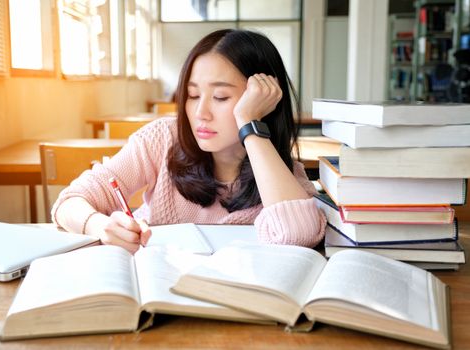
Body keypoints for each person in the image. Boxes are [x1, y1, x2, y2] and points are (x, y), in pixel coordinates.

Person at [52, 29, 326, 254]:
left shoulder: (280, 176)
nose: (200, 113)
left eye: (220, 97)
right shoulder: (161, 140)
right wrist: (98, 226)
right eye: (193, 95)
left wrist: (249, 124)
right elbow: (69, 202)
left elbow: (298, 237)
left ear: (262, 102)